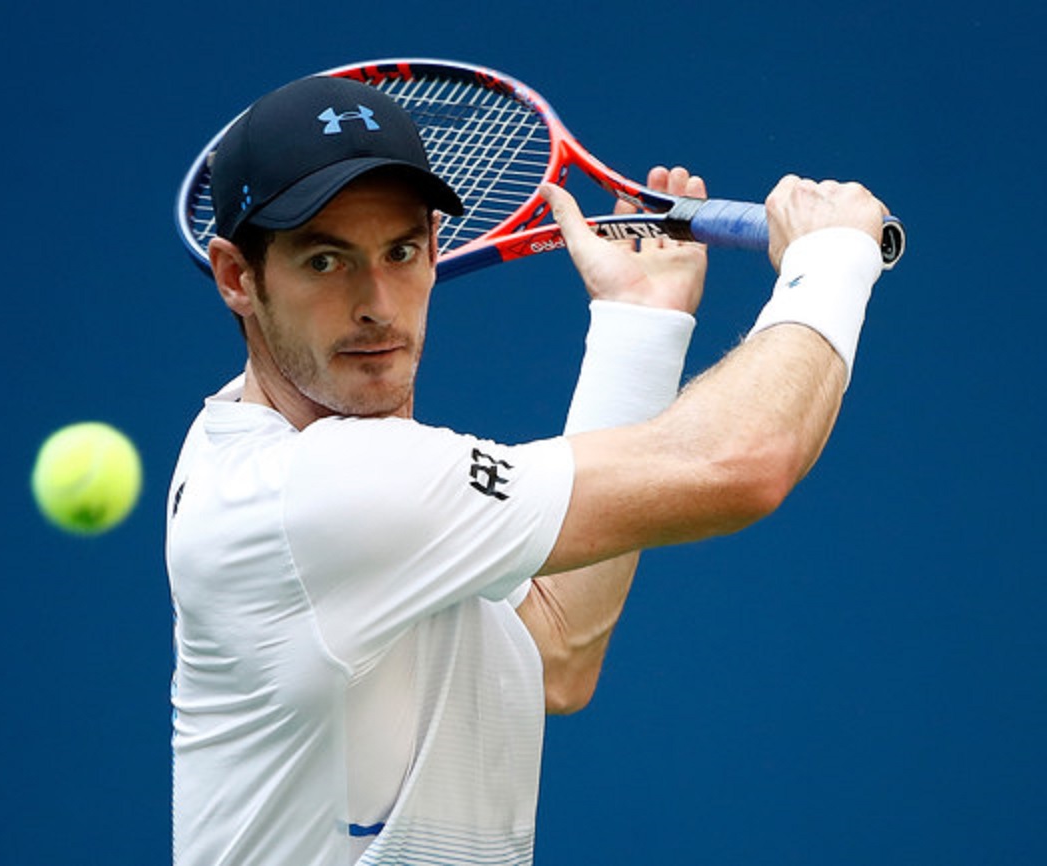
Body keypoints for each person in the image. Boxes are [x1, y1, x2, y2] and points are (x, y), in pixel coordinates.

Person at [166, 74, 888, 866]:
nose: (377, 301)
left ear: (437, 250)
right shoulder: (314, 487)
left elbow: (555, 650)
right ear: (238, 276)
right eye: (326, 261)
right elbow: (742, 462)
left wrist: (639, 333)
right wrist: (833, 261)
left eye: (401, 252)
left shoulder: (253, 445)